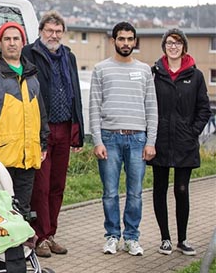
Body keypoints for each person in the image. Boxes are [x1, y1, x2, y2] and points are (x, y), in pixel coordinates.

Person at [0, 21, 49, 223]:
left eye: (16, 39)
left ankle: (20, 250)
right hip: (1, 153)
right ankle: (1, 252)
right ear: (0, 44)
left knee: (22, 207)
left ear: (23, 42)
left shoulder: (31, 72)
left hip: (28, 152)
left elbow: (40, 110)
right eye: (7, 39)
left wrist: (43, 141)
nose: (12, 43)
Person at [89, 21, 158, 256]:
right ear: (114, 41)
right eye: (121, 39)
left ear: (135, 41)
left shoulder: (145, 70)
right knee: (110, 192)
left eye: (130, 39)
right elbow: (94, 108)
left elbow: (152, 109)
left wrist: (151, 142)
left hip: (138, 139)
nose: (126, 43)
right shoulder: (101, 69)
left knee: (135, 192)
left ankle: (131, 237)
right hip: (109, 139)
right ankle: (111, 236)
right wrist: (97, 140)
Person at [22, 11, 85, 258]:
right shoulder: (31, 53)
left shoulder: (68, 56)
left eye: (58, 31)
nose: (54, 35)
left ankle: (51, 234)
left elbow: (75, 92)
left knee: (58, 185)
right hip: (42, 128)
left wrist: (78, 129)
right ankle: (39, 236)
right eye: (49, 30)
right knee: (41, 185)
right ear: (41, 31)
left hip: (65, 126)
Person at [148, 29, 211, 256]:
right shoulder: (154, 73)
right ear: (164, 46)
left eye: (177, 43)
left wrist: (192, 132)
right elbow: (147, 105)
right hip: (160, 141)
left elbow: (204, 109)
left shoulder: (196, 75)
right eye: (169, 42)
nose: (173, 46)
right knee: (159, 189)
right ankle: (165, 238)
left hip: (185, 143)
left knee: (181, 190)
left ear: (184, 47)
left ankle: (182, 239)